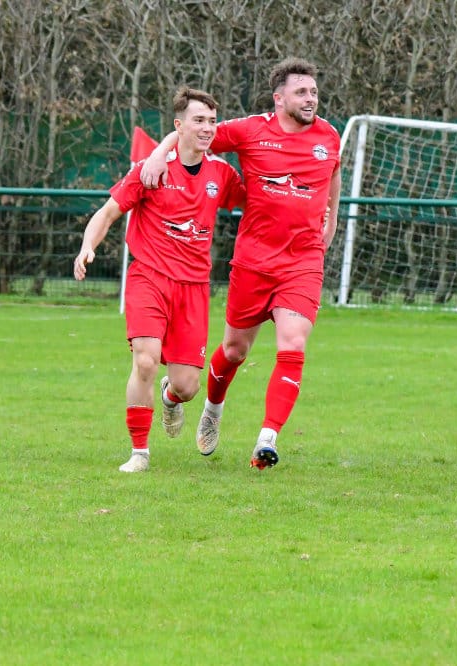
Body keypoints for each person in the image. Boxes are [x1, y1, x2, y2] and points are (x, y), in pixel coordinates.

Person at [141, 57, 341, 470]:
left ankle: (267, 439)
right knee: (234, 350)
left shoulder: (328, 135)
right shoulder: (251, 131)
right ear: (279, 98)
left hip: (303, 260)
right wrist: (160, 153)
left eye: (314, 92)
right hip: (254, 261)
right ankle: (210, 409)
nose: (310, 99)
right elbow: (196, 133)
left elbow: (333, 173)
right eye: (301, 92)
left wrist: (332, 219)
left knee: (293, 343)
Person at [74, 87, 244, 473]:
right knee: (146, 361)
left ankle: (170, 397)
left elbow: (256, 204)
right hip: (149, 277)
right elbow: (108, 212)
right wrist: (87, 246)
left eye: (212, 121)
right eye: (199, 120)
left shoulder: (222, 174)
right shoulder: (151, 170)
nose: (207, 128)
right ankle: (139, 453)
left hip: (194, 288)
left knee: (187, 387)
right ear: (179, 125)